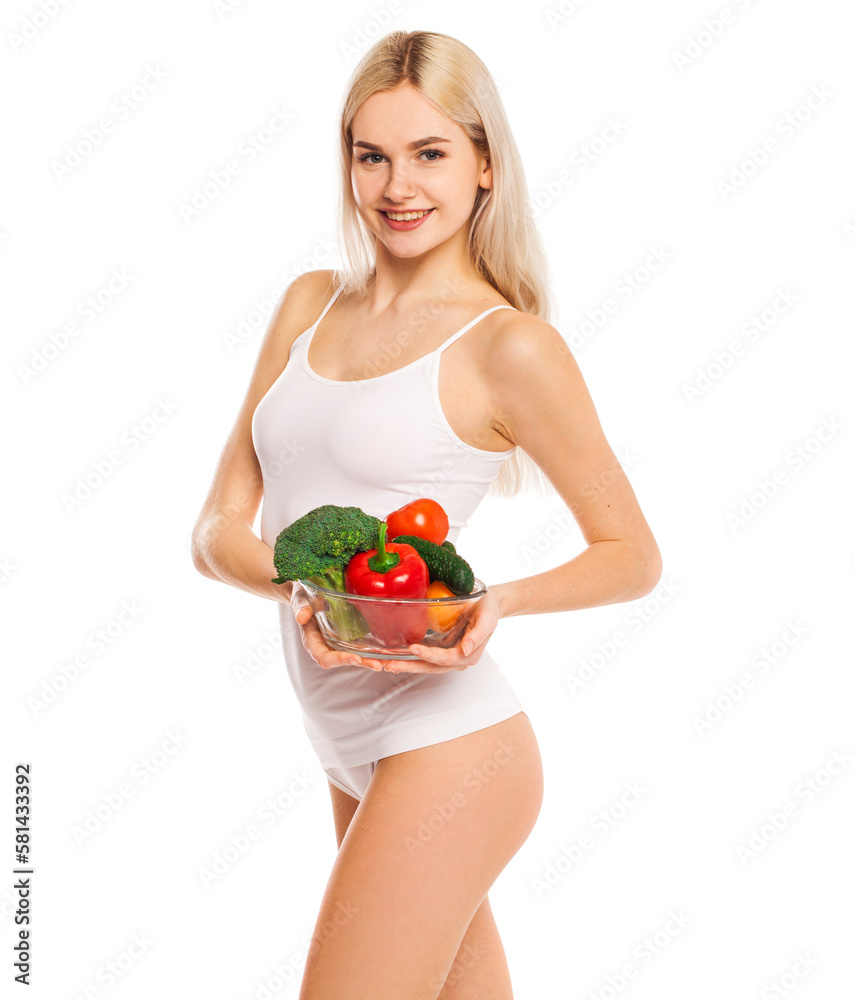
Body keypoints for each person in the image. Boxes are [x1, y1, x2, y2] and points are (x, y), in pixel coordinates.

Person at [191, 29, 661, 999]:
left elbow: (633, 553)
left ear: (485, 163)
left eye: (430, 153)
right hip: (344, 737)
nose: (397, 185)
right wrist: (306, 581)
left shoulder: (509, 348)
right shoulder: (308, 305)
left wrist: (495, 601)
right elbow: (215, 531)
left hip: (451, 746)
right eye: (373, 156)